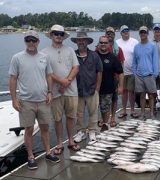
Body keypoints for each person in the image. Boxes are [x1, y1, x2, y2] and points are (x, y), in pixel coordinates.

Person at [9, 30, 60, 170]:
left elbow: (49, 75)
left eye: (34, 40)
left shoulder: (44, 57)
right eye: (28, 40)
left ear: (38, 42)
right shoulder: (17, 58)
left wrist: (50, 92)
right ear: (25, 41)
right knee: (29, 129)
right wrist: (14, 99)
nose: (31, 43)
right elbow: (13, 79)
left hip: (43, 100)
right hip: (26, 101)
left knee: (45, 128)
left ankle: (48, 152)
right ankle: (30, 156)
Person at [42, 24, 80, 154]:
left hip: (71, 90)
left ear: (63, 37)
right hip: (55, 92)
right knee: (57, 119)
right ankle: (59, 142)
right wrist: (61, 82)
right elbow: (47, 72)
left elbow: (76, 67)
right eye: (55, 33)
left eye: (61, 34)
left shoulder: (70, 50)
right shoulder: (44, 53)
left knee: (71, 117)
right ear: (51, 35)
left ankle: (70, 140)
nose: (58, 36)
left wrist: (67, 81)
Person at [71, 32, 102, 143]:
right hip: (77, 90)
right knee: (78, 113)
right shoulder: (72, 55)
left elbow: (99, 72)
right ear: (76, 42)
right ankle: (81, 131)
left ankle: (92, 131)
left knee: (93, 112)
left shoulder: (94, 55)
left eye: (83, 40)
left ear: (87, 42)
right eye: (79, 40)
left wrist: (97, 88)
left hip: (92, 89)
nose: (81, 42)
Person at [132, 26, 160, 119]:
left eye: (144, 32)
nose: (143, 34)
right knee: (142, 95)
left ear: (147, 33)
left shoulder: (152, 46)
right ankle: (143, 113)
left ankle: (152, 113)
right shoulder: (136, 47)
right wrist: (135, 72)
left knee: (151, 95)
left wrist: (155, 74)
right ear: (139, 34)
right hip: (139, 75)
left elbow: (155, 61)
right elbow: (134, 62)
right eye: (141, 32)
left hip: (150, 75)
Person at [97, 36, 124, 131]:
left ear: (109, 44)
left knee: (106, 108)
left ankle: (105, 124)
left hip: (108, 88)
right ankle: (102, 123)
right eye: (101, 42)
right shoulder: (93, 55)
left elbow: (120, 73)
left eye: (105, 43)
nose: (103, 44)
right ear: (98, 44)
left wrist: (121, 87)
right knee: (96, 109)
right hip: (94, 89)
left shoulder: (113, 57)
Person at [116, 25, 140, 119]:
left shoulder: (135, 42)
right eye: (124, 31)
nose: (126, 32)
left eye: (127, 30)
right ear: (121, 33)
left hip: (132, 72)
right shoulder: (116, 42)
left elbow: (138, 56)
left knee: (132, 92)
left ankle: (133, 110)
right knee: (124, 92)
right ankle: (124, 110)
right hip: (121, 73)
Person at [104, 27, 125, 126]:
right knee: (103, 100)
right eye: (108, 33)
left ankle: (113, 117)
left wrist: (121, 84)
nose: (109, 35)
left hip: (115, 79)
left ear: (114, 35)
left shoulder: (118, 49)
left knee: (114, 99)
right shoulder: (100, 47)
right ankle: (104, 118)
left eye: (111, 33)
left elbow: (121, 65)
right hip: (103, 78)